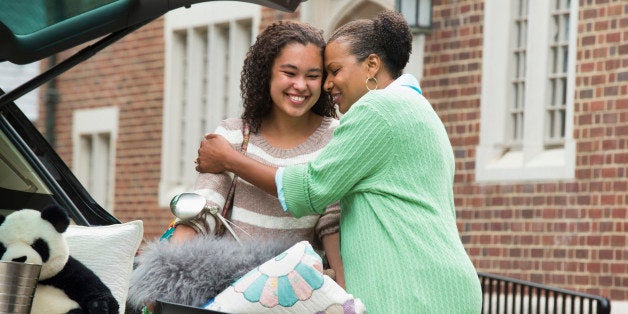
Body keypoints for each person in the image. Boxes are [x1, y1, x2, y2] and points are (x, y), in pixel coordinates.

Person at [195, 10, 482, 313]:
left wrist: (230, 158)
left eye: (333, 71)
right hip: (443, 284)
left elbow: (308, 190)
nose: (328, 85)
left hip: (409, 288)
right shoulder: (418, 109)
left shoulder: (378, 109)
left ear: (372, 64)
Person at [171, 20, 345, 287]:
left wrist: (346, 294)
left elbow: (331, 224)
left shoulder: (335, 137)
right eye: (290, 73)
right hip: (231, 292)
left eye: (312, 76)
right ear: (267, 74)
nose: (301, 85)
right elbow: (202, 213)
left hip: (297, 295)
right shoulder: (231, 134)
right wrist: (166, 277)